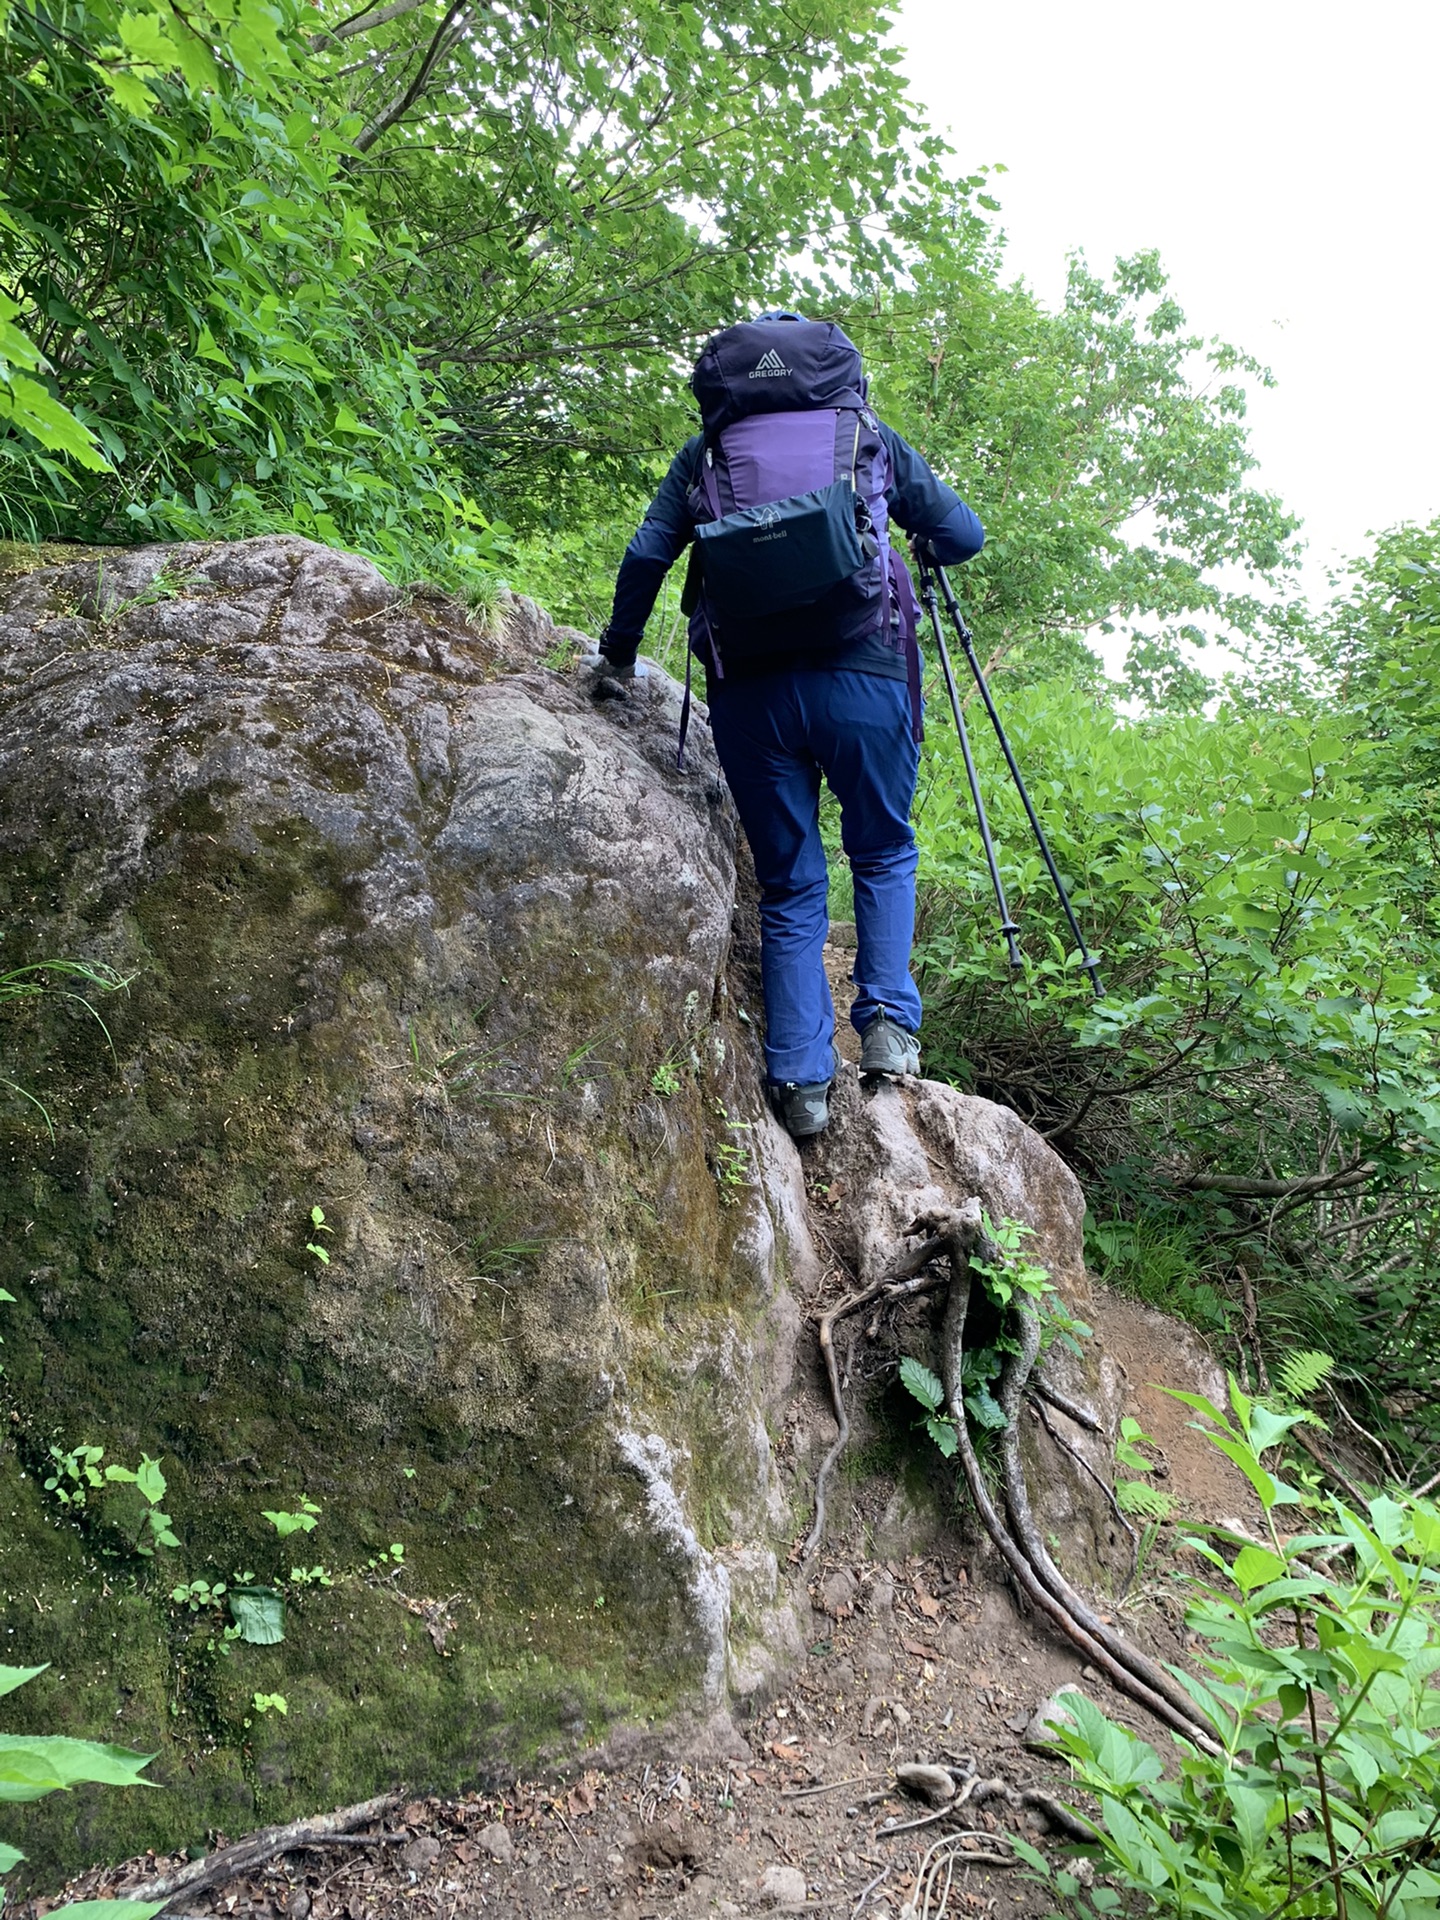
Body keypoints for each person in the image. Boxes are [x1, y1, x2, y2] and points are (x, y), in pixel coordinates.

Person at [594, 312, 984, 1138]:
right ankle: (885, 1029)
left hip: (753, 693)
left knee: (792, 882)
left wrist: (619, 658)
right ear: (834, 374)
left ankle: (803, 1086)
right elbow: (962, 536)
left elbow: (645, 557)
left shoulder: (705, 455)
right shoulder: (866, 437)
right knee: (881, 846)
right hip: (866, 674)